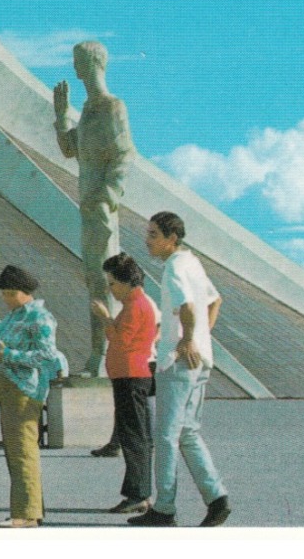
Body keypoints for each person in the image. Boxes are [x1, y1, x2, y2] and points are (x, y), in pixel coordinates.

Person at [130, 212, 231, 528]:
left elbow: (187, 307)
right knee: (188, 432)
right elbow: (216, 300)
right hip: (200, 362)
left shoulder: (174, 267)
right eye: (148, 233)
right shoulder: (192, 262)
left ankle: (164, 508)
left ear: (171, 239)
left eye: (154, 235)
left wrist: (187, 340)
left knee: (166, 436)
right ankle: (217, 498)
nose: (148, 240)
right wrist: (201, 338)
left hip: (177, 362)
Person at [53, 40, 135, 374]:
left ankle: (106, 353)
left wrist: (107, 196)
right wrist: (61, 118)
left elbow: (124, 155)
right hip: (87, 204)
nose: (74, 68)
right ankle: (98, 350)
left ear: (92, 63)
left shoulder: (113, 106)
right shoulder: (86, 111)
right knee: (93, 278)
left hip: (100, 205)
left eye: (78, 62)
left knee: (105, 279)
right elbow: (71, 150)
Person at [0, 265, 67, 528]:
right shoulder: (16, 314)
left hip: (25, 389)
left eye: (10, 293)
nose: (6, 298)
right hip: (9, 386)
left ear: (25, 292)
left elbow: (46, 355)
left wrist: (8, 356)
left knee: (23, 451)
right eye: (4, 294)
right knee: (15, 450)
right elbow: (2, 334)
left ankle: (26, 514)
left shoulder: (40, 317)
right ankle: (27, 509)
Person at [92, 252, 157, 515]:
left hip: (131, 376)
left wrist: (105, 318)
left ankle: (138, 494)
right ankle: (138, 493)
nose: (111, 289)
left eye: (113, 283)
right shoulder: (136, 304)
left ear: (127, 282)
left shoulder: (135, 307)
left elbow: (121, 340)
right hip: (129, 375)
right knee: (135, 435)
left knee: (134, 437)